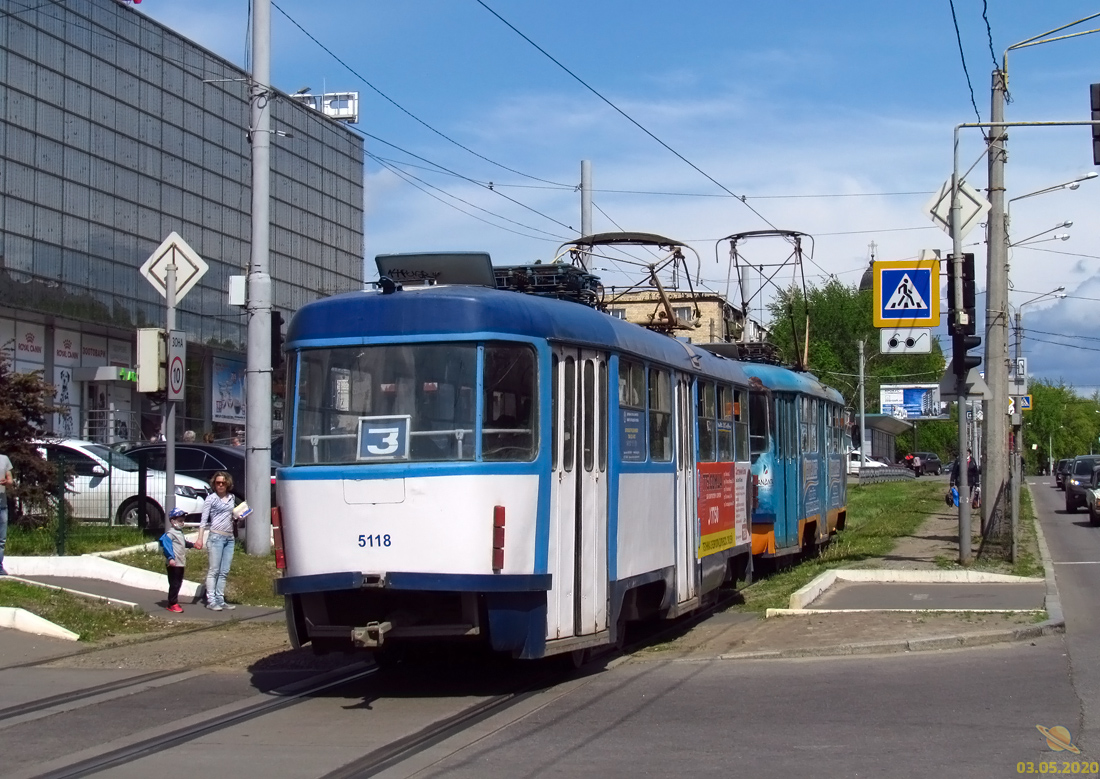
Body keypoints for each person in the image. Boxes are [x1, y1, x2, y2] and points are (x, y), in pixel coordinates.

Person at [195, 471, 238, 611]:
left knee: (224, 571)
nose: (220, 485)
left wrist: (238, 517)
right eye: (217, 483)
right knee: (214, 570)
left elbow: (233, 515)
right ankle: (211, 600)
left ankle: (220, 599)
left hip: (229, 537)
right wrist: (200, 538)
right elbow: (203, 521)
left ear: (227, 484)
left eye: (223, 483)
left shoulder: (231, 498)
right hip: (216, 537)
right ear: (214, 484)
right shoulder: (211, 499)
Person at [159, 508, 194, 612]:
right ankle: (172, 603)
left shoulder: (179, 532)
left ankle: (173, 601)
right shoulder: (170, 533)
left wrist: (193, 545)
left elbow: (183, 543)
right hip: (174, 563)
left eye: (182, 520)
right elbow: (166, 546)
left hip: (180, 562)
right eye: (179, 520)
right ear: (172, 521)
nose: (181, 523)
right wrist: (170, 558)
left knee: (178, 583)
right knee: (174, 583)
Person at [0, 451, 12, 576]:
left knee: (1, 539)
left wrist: (6, 482)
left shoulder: (4, 459)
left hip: (2, 504)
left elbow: (10, 480)